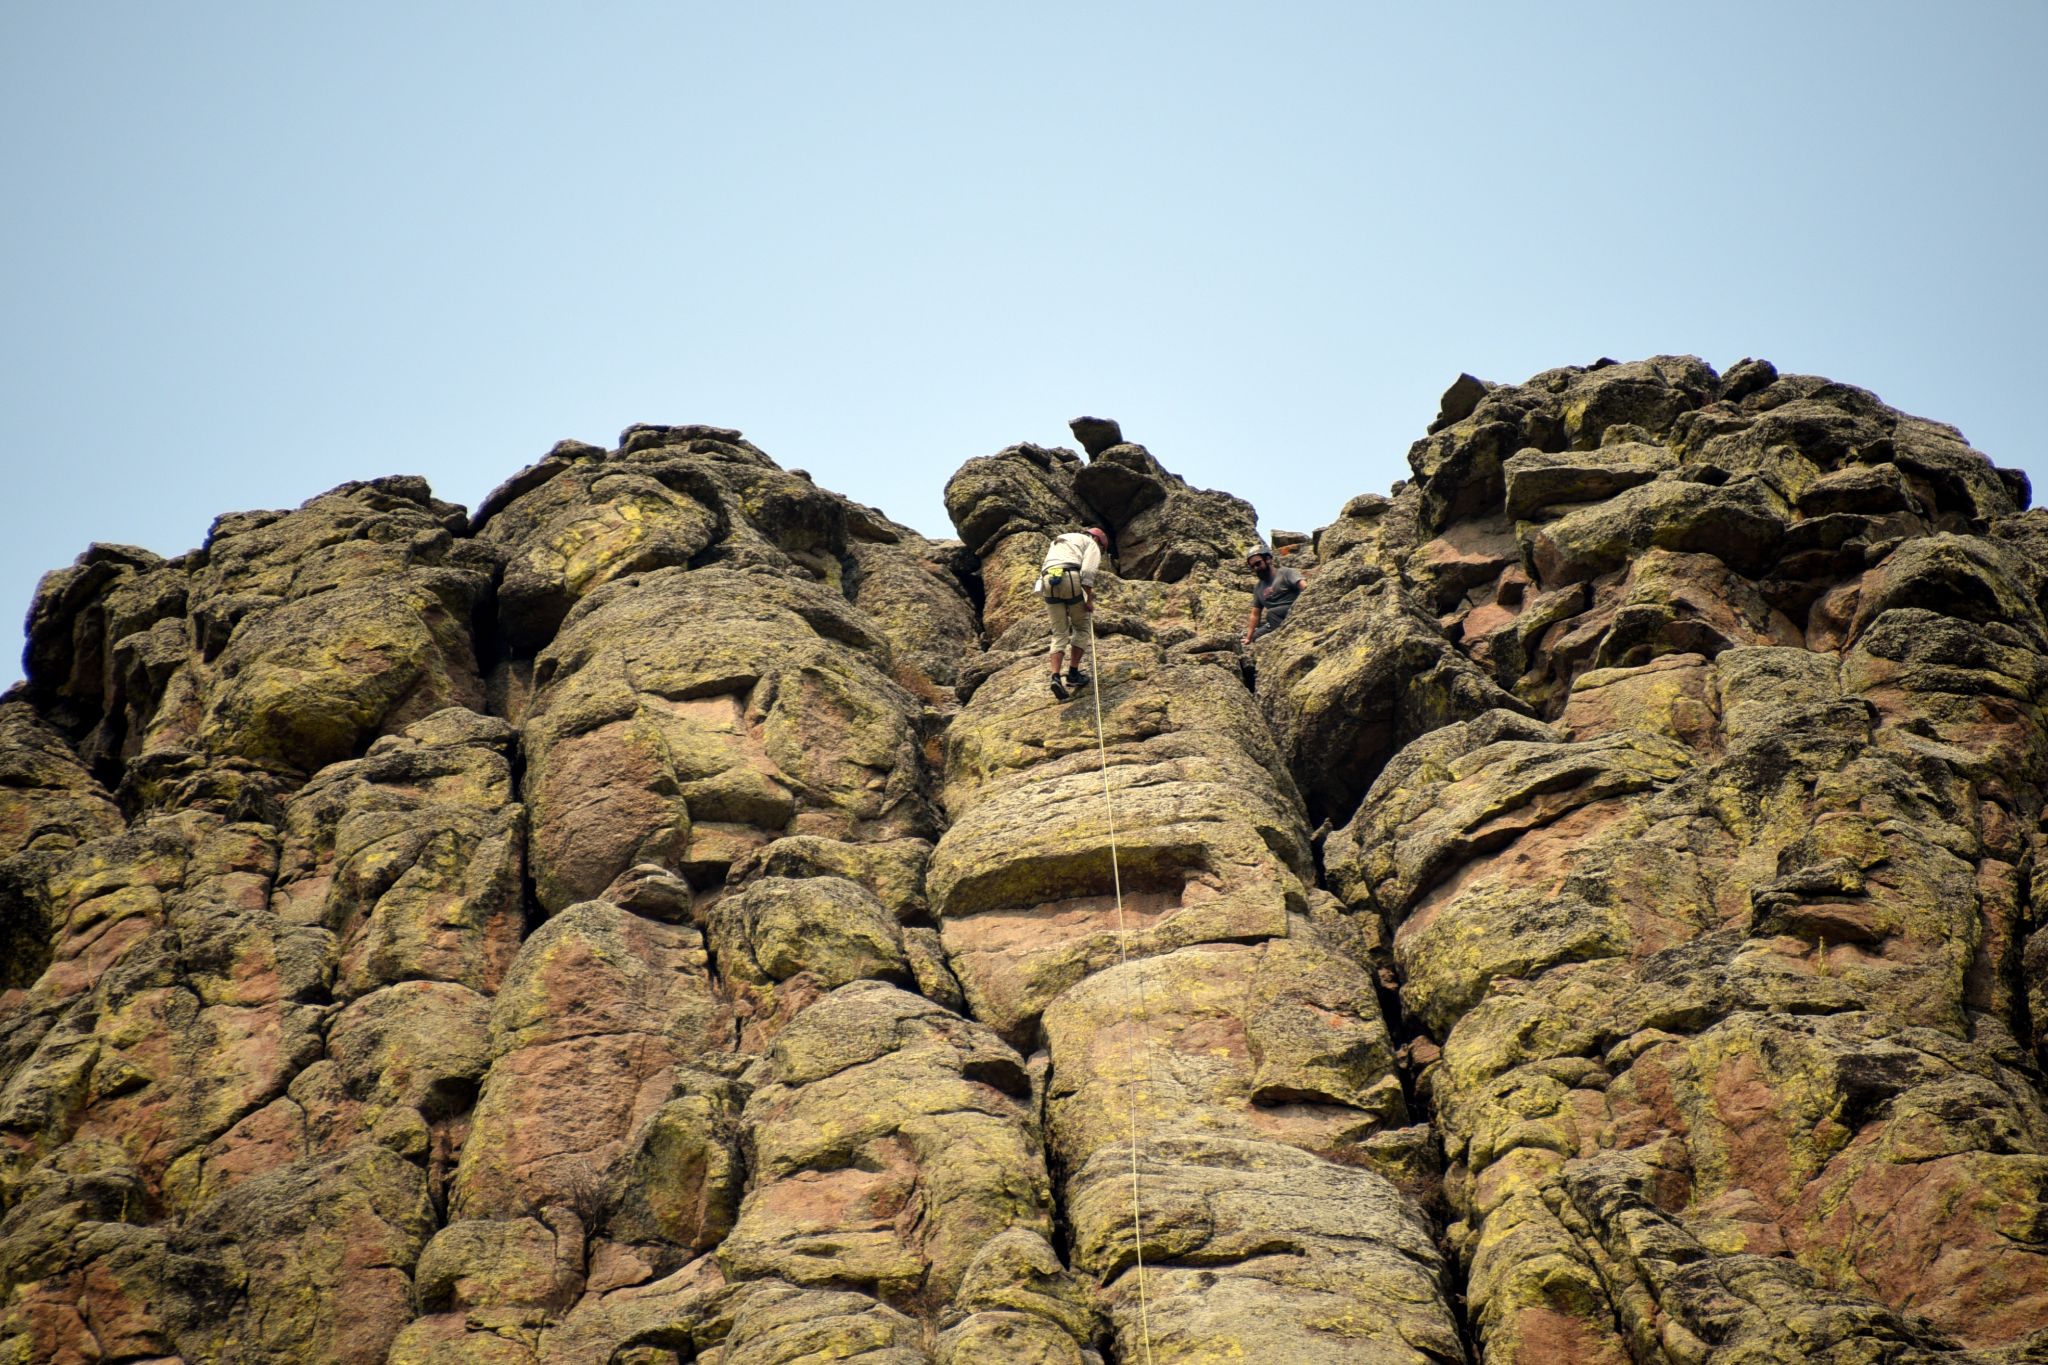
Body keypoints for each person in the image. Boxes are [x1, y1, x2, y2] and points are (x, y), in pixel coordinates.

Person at [1038, 526, 1110, 699]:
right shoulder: (1091, 544)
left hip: (1048, 581)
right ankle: (1073, 673)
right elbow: (1087, 571)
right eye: (1101, 548)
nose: (1099, 551)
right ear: (1098, 540)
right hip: (1071, 577)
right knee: (1082, 627)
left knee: (1059, 633)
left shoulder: (1060, 539)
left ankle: (1055, 677)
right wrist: (1088, 598)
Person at [1242, 546, 1304, 644]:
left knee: (1272, 613)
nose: (1256, 568)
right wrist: (1248, 638)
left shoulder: (1286, 572)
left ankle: (1285, 639)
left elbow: (1304, 587)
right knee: (1256, 636)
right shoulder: (1258, 588)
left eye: (1258, 563)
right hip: (1275, 620)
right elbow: (1255, 614)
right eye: (1253, 566)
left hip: (1294, 610)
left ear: (1268, 559)